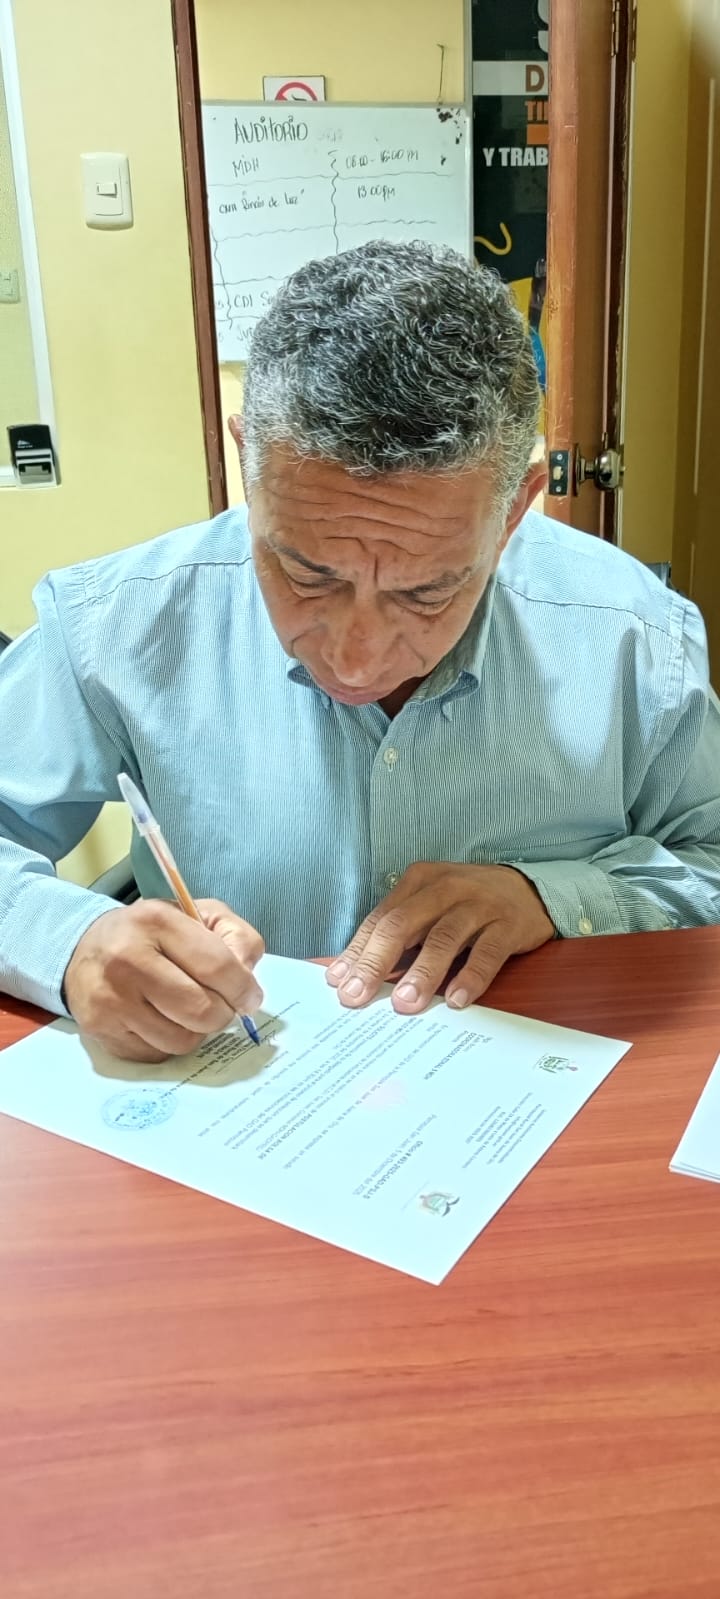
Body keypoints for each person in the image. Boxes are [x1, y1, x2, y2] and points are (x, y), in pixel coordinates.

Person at [1, 240, 719, 1063]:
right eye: (306, 574)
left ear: (516, 509)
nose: (356, 658)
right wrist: (72, 942)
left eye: (428, 591)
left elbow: (711, 858)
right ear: (247, 461)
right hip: (231, 1103)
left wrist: (552, 896)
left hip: (547, 1090)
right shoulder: (117, 624)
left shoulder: (633, 637)